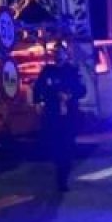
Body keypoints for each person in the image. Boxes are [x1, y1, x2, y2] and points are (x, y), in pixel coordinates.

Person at [35, 41, 87, 192]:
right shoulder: (47, 71)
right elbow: (39, 87)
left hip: (69, 114)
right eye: (55, 52)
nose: (58, 55)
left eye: (60, 52)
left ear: (66, 54)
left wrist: (69, 95)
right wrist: (38, 102)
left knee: (67, 145)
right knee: (54, 144)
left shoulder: (72, 71)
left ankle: (63, 177)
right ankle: (58, 167)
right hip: (52, 113)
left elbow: (82, 90)